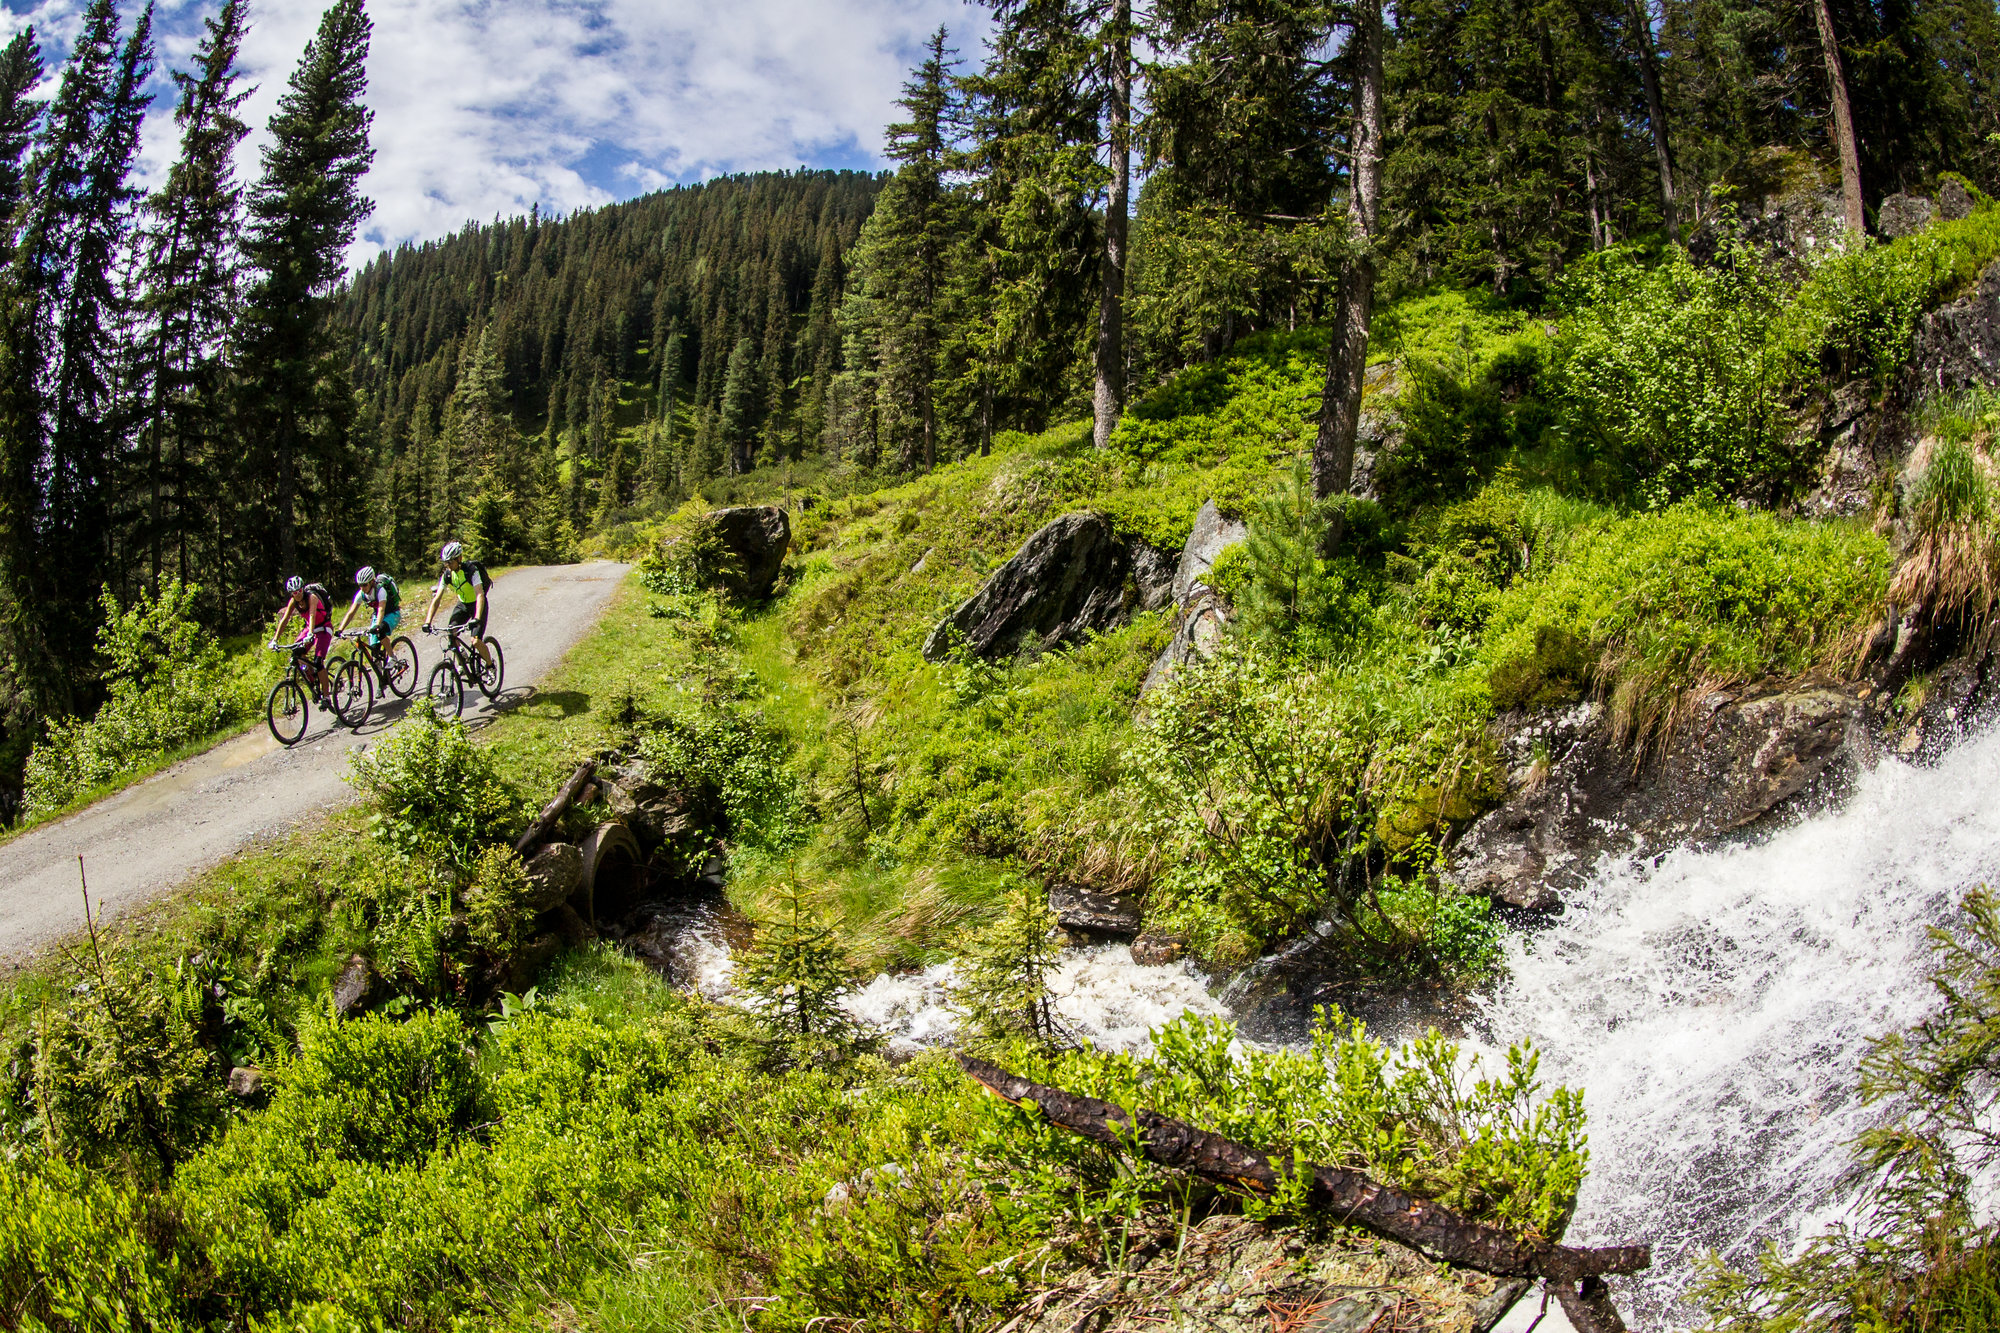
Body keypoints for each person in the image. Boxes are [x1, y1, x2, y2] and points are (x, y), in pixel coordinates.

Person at [422, 541, 494, 668]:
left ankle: (490, 665)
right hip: (463, 605)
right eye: (446, 562)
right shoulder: (447, 575)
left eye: (450, 562)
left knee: (476, 641)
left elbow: (479, 594)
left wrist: (477, 618)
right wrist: (427, 622)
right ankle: (462, 662)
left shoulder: (471, 571)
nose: (448, 565)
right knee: (451, 634)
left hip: (477, 604)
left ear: (459, 558)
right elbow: (437, 599)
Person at [269, 575, 335, 698]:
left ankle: (326, 697)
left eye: (299, 591)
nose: (298, 594)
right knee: (297, 653)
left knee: (319, 662)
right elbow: (284, 620)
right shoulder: (293, 602)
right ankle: (312, 677)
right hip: (310, 629)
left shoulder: (312, 597)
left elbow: (312, 615)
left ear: (303, 589)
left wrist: (310, 633)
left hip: (324, 628)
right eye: (295, 592)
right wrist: (275, 639)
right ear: (291, 594)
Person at [336, 565, 401, 655]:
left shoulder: (380, 590)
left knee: (380, 631)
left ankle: (392, 657)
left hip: (392, 614)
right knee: (374, 650)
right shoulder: (361, 594)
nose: (362, 588)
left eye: (364, 585)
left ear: (371, 582)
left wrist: (377, 625)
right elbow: (351, 613)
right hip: (377, 615)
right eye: (360, 585)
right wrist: (340, 629)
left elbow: (381, 609)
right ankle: (379, 665)